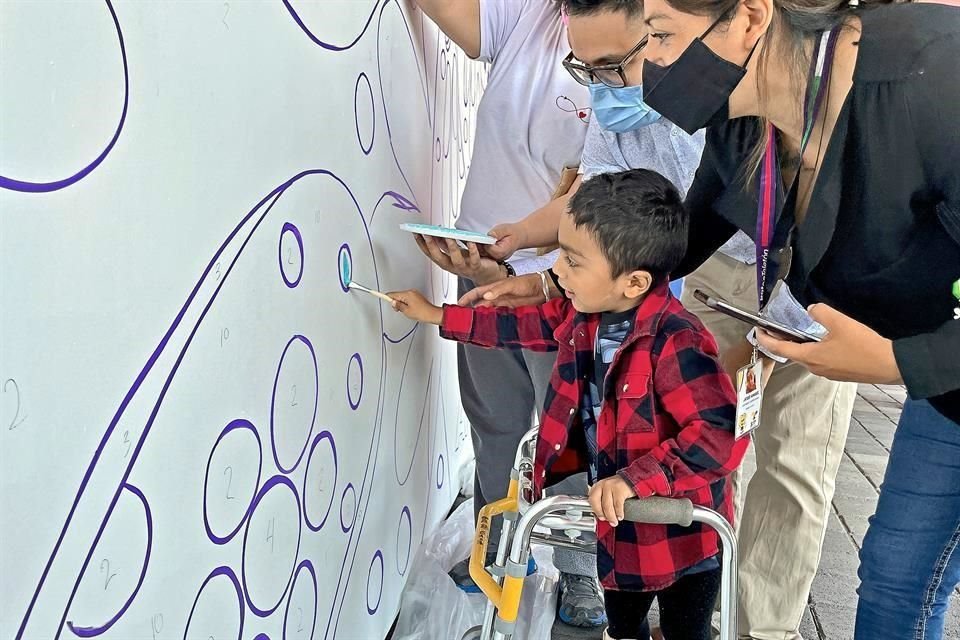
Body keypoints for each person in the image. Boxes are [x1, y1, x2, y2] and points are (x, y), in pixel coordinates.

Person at [472, 0, 960, 637]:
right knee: (895, 577)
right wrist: (554, 283)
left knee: (874, 550)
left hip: (928, 363)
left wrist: (891, 363)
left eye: (661, 38)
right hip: (943, 394)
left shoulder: (931, 77)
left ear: (750, 18)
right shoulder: (745, 124)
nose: (653, 71)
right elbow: (679, 237)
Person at [390, 169, 749, 640]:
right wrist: (438, 315)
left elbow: (718, 437)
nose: (557, 271)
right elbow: (520, 327)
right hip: (618, 531)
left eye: (574, 261)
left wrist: (635, 480)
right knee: (623, 627)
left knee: (687, 629)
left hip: (683, 535)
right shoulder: (584, 314)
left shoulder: (678, 343)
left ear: (634, 281)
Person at [409, 0, 590, 610]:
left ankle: (581, 568)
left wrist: (523, 266)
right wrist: (488, 266)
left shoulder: (642, 44)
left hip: (569, 287)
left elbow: (610, 196)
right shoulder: (535, 14)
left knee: (569, 436)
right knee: (494, 419)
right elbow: (453, 16)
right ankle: (499, 547)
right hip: (482, 266)